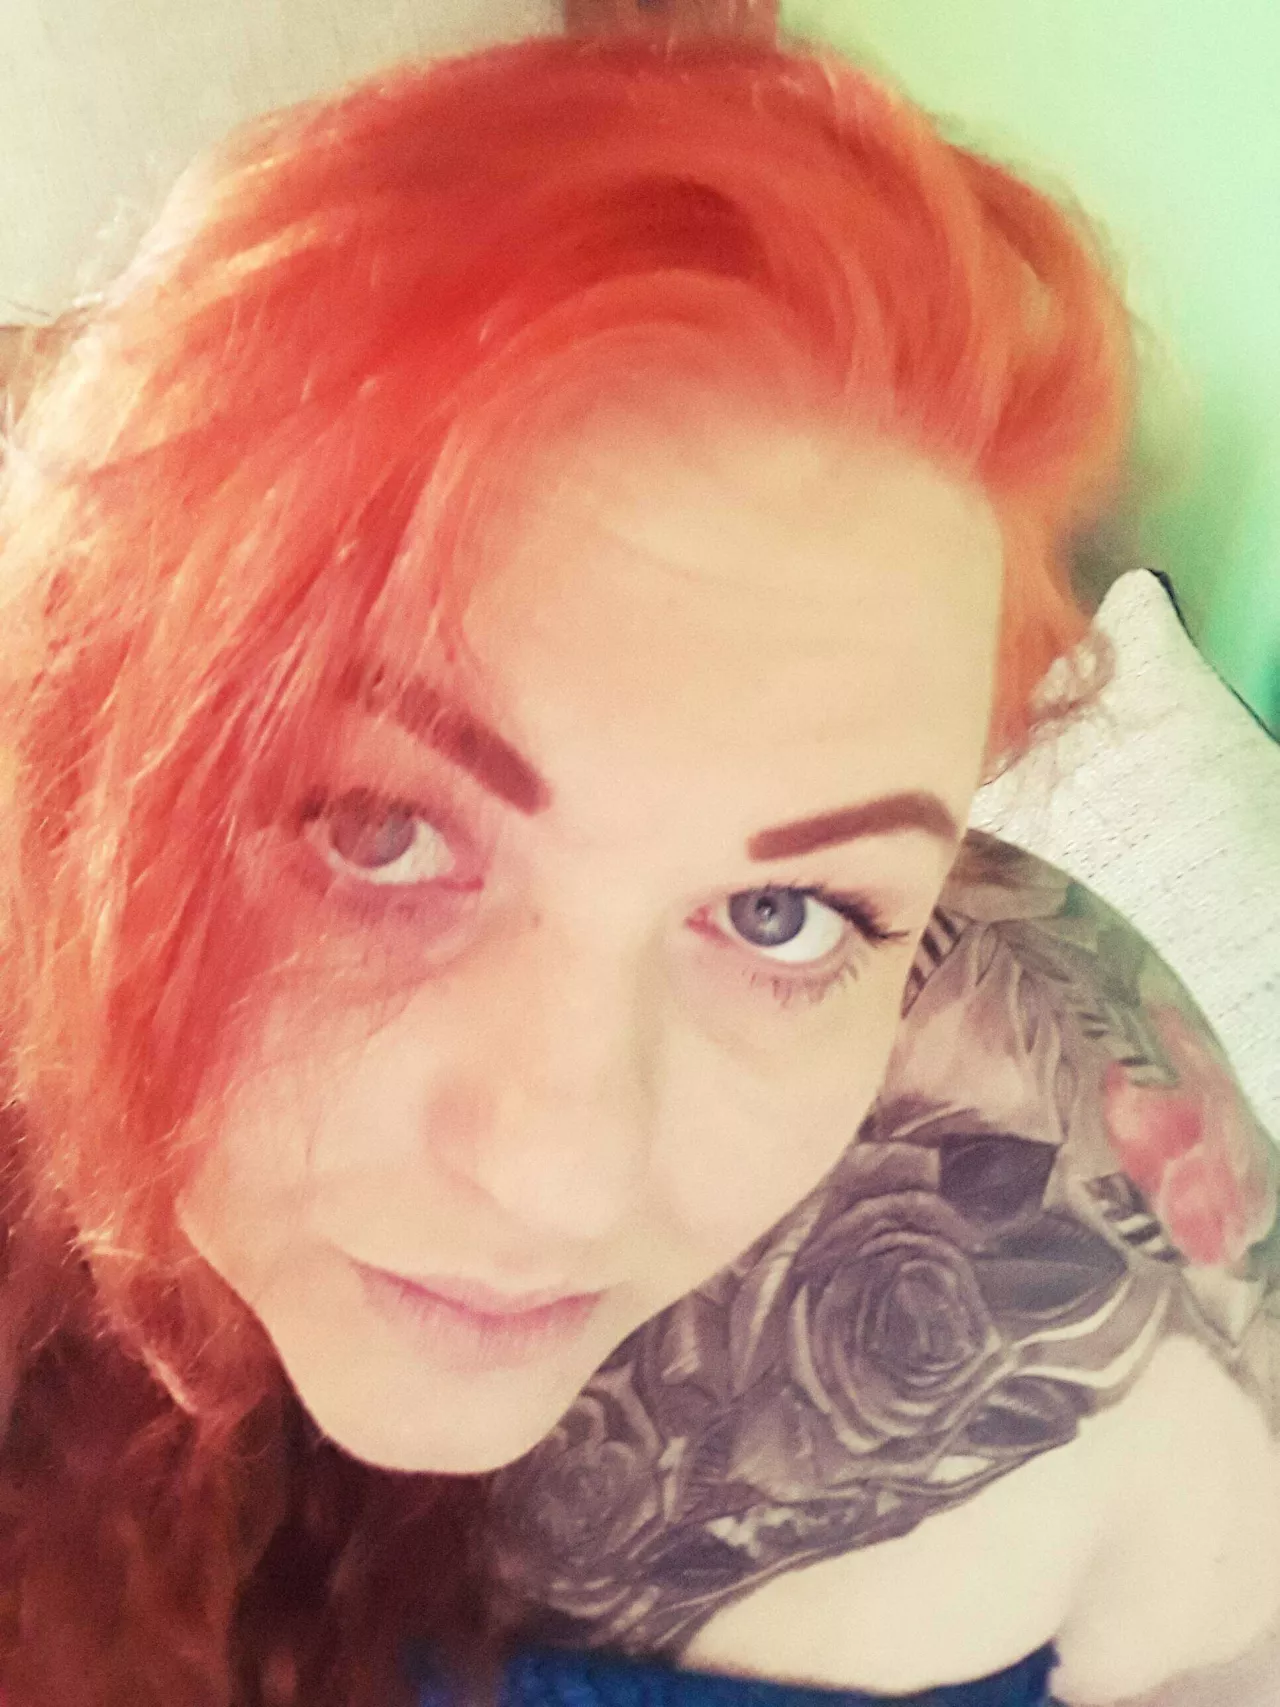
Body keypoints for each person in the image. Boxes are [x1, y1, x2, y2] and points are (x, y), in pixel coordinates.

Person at [0, 29, 1275, 1707]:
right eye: (381, 829)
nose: (562, 1176)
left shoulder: (1085, 1198)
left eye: (784, 914)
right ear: (89, 740)